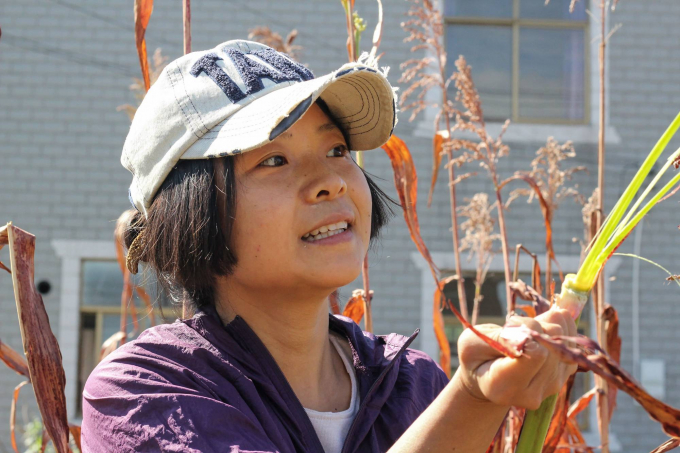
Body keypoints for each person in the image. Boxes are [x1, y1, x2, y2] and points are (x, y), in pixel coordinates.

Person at [81, 39, 577, 452]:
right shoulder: (140, 393)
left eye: (337, 150)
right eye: (274, 160)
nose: (331, 182)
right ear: (189, 213)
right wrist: (472, 400)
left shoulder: (414, 384)